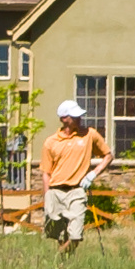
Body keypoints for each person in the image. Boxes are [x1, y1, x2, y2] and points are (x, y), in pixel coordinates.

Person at [40, 102, 112, 255]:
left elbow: (108, 155)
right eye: (75, 116)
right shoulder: (50, 142)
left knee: (75, 236)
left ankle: (54, 260)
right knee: (60, 236)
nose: (79, 118)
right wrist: (47, 198)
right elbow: (46, 173)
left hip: (77, 191)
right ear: (64, 118)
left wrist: (93, 173)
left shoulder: (89, 134)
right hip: (55, 192)